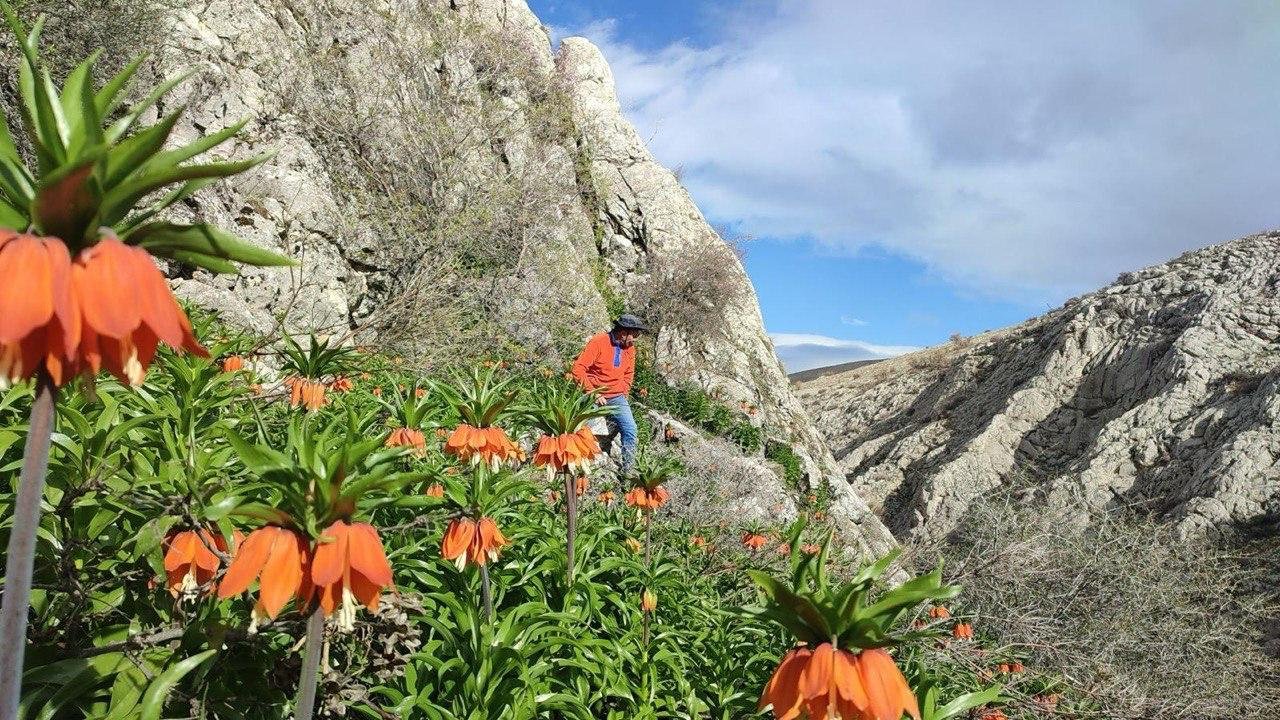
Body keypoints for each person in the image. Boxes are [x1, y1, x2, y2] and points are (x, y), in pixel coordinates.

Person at [571, 314, 648, 475]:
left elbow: (629, 373)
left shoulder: (630, 348)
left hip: (617, 396)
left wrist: (624, 392)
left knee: (630, 429)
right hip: (593, 393)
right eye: (634, 334)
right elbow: (578, 370)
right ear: (622, 332)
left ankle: (627, 471)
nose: (635, 338)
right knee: (586, 431)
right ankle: (580, 466)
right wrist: (593, 393)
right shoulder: (598, 342)